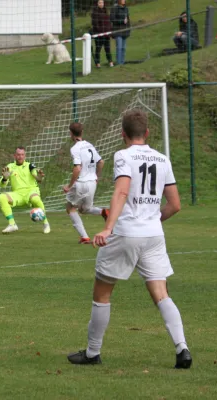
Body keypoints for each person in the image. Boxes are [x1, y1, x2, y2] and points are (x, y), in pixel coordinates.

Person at [67, 109, 192, 369]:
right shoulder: (162, 158)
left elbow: (122, 191)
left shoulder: (123, 156)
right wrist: (152, 221)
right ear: (146, 133)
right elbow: (175, 204)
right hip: (154, 235)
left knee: (102, 293)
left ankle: (92, 353)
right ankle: (182, 348)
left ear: (122, 134)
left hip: (125, 233)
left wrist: (108, 228)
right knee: (161, 293)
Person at [63, 123, 109, 245]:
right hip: (92, 183)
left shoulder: (75, 149)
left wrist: (69, 186)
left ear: (71, 133)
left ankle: (84, 237)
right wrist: (97, 177)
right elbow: (101, 162)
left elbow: (77, 169)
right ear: (82, 132)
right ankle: (103, 212)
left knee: (70, 208)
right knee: (85, 209)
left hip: (81, 183)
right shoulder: (90, 145)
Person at [0, 147, 50, 234]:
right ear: (15, 156)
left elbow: (37, 177)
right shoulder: (10, 167)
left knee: (36, 199)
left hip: (31, 191)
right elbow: (2, 185)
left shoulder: (30, 166)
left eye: (22, 155)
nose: (20, 157)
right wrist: (4, 178)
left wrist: (39, 177)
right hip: (18, 194)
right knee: (1, 197)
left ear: (25, 156)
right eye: (18, 154)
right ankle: (12, 224)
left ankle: (46, 223)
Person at [91, 0, 114, 68]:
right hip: (99, 35)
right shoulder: (94, 12)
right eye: (100, 3)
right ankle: (97, 63)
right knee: (98, 49)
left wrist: (110, 31)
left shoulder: (106, 11)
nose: (101, 4)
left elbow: (108, 23)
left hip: (106, 34)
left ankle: (110, 62)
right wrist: (100, 32)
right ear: (97, 3)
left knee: (108, 49)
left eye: (102, 2)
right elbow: (95, 24)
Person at [110, 0, 130, 66]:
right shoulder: (114, 8)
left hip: (124, 31)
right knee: (119, 47)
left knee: (123, 48)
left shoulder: (126, 9)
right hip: (117, 31)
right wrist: (122, 21)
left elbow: (128, 20)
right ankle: (119, 64)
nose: (124, 0)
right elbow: (112, 19)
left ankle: (122, 62)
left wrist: (128, 29)